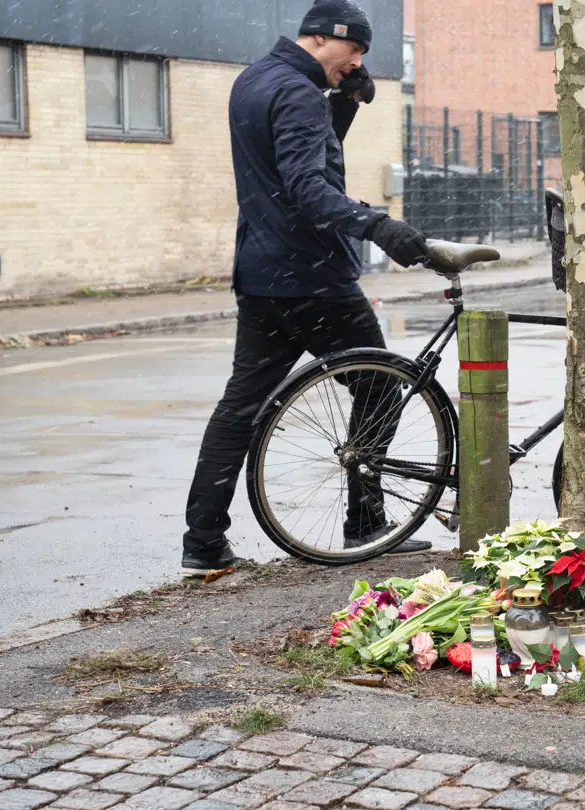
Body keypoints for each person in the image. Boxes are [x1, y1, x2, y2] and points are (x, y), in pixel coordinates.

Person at [181, 0, 433, 576]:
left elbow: (293, 158)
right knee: (379, 387)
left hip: (262, 273)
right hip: (313, 278)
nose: (358, 60)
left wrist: (341, 105)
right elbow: (309, 188)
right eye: (355, 50)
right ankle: (366, 522)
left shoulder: (254, 80)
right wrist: (381, 226)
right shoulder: (296, 93)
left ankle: (203, 540)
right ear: (324, 39)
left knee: (240, 407)